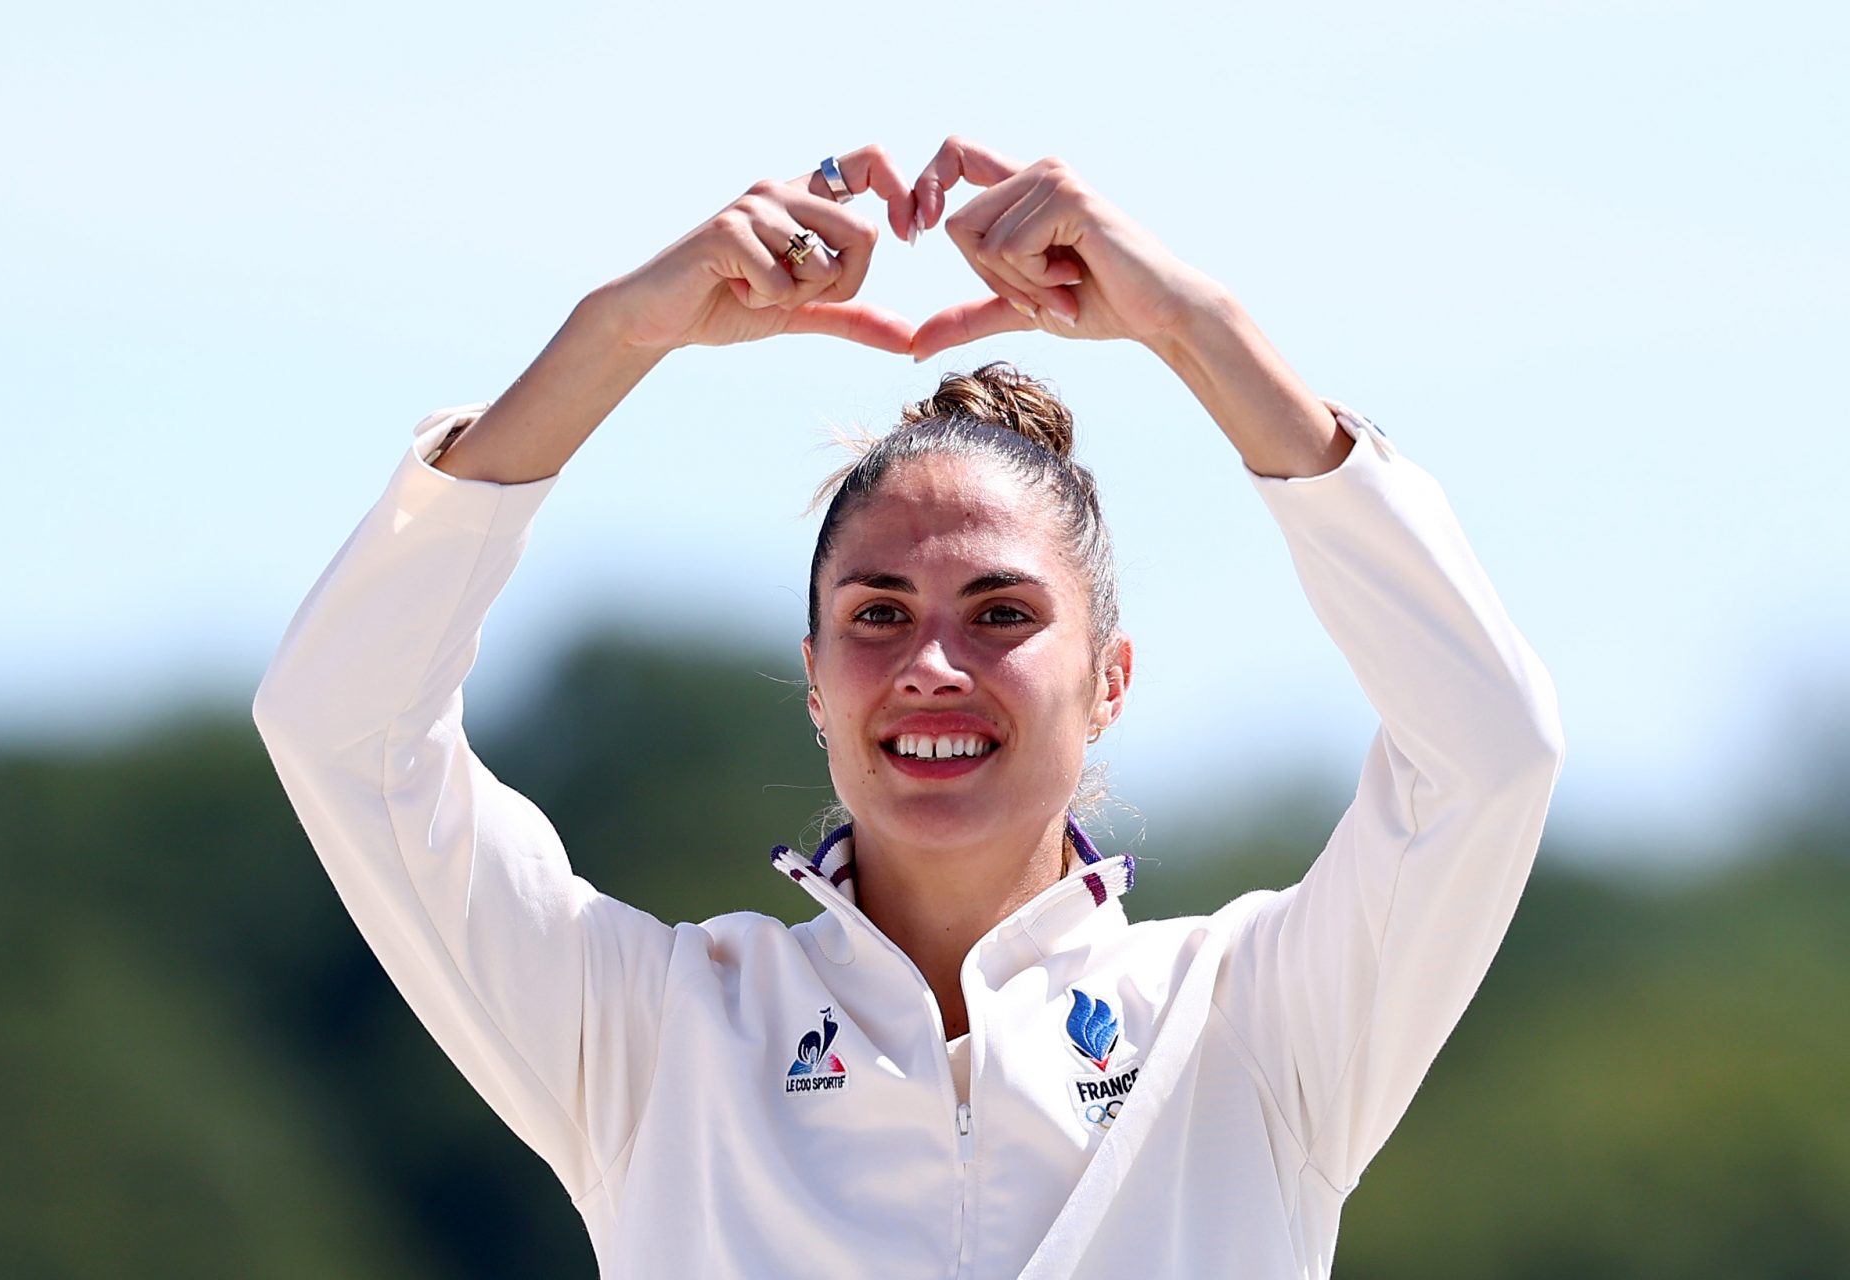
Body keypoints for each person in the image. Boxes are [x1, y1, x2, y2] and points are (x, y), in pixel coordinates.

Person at [253, 138, 1565, 1279]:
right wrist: (618, 335)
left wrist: (1194, 324)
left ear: (1110, 680)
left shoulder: (1249, 1025)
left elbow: (1487, 755)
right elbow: (343, 726)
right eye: (879, 616)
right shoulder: (660, 1035)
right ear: (817, 683)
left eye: (1000, 615)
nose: (934, 665)